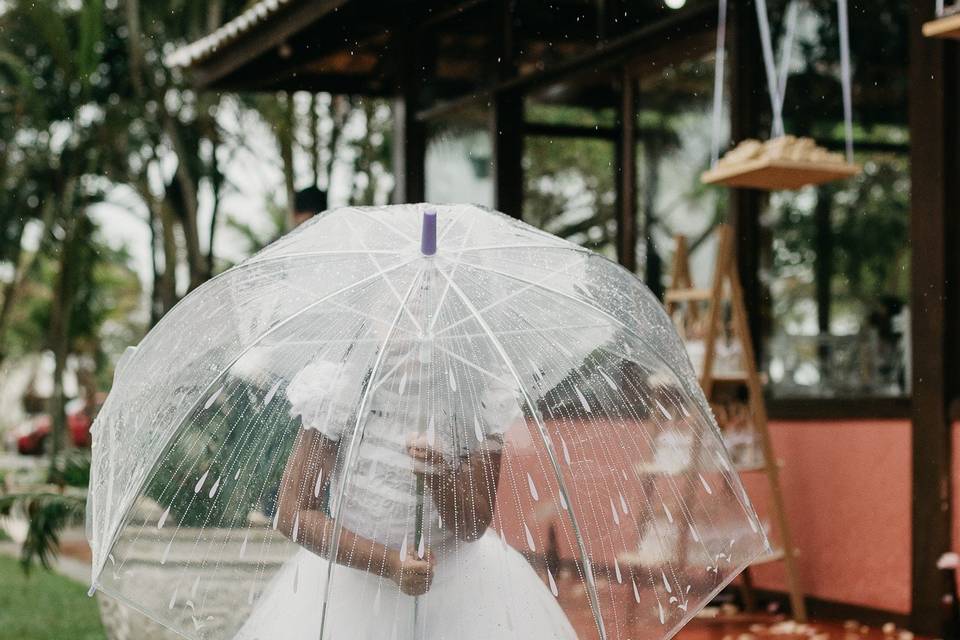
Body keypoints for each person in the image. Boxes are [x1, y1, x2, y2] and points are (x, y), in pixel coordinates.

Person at [235, 317, 577, 639]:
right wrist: (389, 563)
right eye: (396, 317)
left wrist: (439, 476)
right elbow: (293, 514)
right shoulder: (340, 388)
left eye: (426, 315)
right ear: (370, 318)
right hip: (350, 586)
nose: (411, 330)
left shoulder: (479, 395)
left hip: (459, 588)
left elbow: (473, 524)